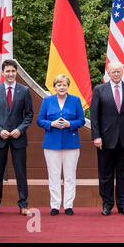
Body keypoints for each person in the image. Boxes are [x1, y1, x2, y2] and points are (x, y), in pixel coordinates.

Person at [90, 61, 124, 216]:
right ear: (108, 72)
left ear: (123, 72)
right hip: (105, 140)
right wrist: (96, 136)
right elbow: (94, 116)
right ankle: (107, 204)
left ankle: (123, 204)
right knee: (105, 174)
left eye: (119, 71)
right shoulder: (99, 90)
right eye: (113, 72)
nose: (116, 74)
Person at [0, 59, 34, 216]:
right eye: (8, 71)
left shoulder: (24, 91)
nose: (10, 74)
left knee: (21, 172)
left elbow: (29, 115)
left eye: (13, 71)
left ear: (16, 72)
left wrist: (20, 130)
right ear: (3, 73)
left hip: (18, 138)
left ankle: (23, 205)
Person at [37, 75, 85, 216]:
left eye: (64, 85)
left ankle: (68, 205)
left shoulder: (75, 100)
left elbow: (81, 120)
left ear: (68, 86)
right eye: (59, 85)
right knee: (54, 175)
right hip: (51, 143)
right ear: (55, 87)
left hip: (71, 143)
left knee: (70, 176)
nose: (62, 87)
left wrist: (70, 124)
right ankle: (55, 206)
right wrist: (51, 123)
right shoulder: (47, 100)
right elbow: (40, 120)